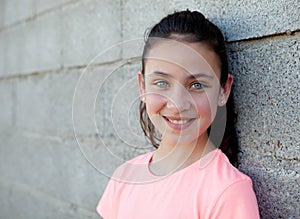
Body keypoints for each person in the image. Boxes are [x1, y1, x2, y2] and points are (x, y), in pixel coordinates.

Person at [97, 10, 260, 219]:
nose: (177, 105)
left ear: (223, 90)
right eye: (162, 83)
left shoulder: (226, 191)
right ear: (142, 86)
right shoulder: (125, 176)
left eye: (196, 85)